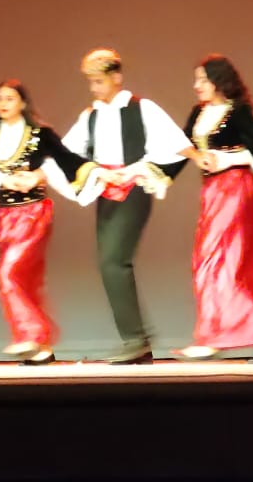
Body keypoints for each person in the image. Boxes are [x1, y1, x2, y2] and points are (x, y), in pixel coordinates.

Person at [62, 48, 203, 364]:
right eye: (91, 82)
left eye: (99, 81)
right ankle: (135, 340)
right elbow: (67, 151)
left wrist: (196, 156)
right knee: (107, 264)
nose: (94, 88)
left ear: (116, 77)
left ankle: (136, 339)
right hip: (105, 190)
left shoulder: (141, 108)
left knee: (114, 261)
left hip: (134, 187)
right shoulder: (92, 115)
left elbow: (174, 140)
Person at [175, 55, 253, 360]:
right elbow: (182, 146)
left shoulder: (238, 111)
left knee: (222, 260)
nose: (197, 85)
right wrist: (156, 172)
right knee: (211, 260)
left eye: (203, 79)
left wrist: (235, 160)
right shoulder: (199, 112)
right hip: (212, 193)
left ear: (218, 80)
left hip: (236, 191)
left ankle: (216, 336)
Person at [0, 79, 85, 365]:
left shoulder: (40, 134)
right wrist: (2, 179)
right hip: (4, 215)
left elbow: (66, 160)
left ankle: (30, 333)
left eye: (10, 98)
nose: (3, 104)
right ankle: (42, 348)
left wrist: (40, 175)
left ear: (23, 103)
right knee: (26, 280)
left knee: (8, 275)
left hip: (33, 214)